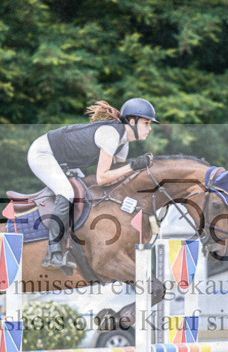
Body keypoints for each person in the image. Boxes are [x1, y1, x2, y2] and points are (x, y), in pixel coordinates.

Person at [27, 97, 159, 271]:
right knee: (67, 193)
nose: (149, 129)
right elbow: (102, 178)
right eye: (147, 123)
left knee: (87, 192)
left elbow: (116, 181)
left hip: (65, 161)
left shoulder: (122, 144)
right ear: (132, 121)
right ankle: (53, 253)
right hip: (43, 154)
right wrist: (133, 165)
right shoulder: (110, 135)